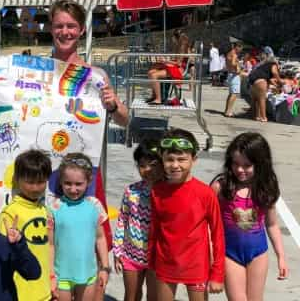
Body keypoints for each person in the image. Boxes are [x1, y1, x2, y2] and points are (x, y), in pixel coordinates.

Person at [0, 0, 128, 127]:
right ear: (50, 29)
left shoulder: (95, 76)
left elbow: (125, 121)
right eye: (59, 26)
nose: (65, 32)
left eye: (71, 26)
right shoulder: (31, 72)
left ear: (82, 30)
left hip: (81, 174)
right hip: (40, 170)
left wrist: (112, 107)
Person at [148, 128, 225, 301]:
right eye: (169, 159)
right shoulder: (157, 191)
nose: (175, 165)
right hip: (165, 263)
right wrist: (151, 262)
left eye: (182, 159)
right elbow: (154, 230)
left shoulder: (205, 193)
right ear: (162, 159)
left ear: (194, 160)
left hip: (196, 266)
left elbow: (217, 234)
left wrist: (217, 273)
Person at [210, 133, 288, 300]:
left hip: (258, 254)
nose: (240, 169)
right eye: (236, 164)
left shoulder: (265, 189)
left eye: (247, 165)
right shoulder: (221, 188)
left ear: (260, 165)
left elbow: (272, 224)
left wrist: (281, 256)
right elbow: (207, 224)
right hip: (229, 254)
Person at [47, 153, 110, 301]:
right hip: (61, 276)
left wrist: (105, 268)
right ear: (61, 181)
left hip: (88, 274)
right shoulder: (54, 208)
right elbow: (50, 245)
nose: (73, 189)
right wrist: (51, 276)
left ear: (88, 181)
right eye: (68, 183)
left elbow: (100, 239)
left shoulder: (94, 205)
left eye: (78, 184)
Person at [0, 149, 53, 301]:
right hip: (21, 293)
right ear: (17, 179)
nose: (35, 188)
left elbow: (49, 248)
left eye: (41, 182)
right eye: (30, 182)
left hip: (45, 290)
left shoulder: (44, 210)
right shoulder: (10, 214)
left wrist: (52, 279)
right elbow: (5, 256)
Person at [113, 140, 163, 301]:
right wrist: (117, 250)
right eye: (142, 165)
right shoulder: (132, 191)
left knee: (154, 297)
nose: (148, 170)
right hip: (130, 256)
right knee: (131, 296)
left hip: (157, 258)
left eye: (153, 164)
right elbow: (122, 219)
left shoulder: (169, 193)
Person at [146, 29, 189, 105]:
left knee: (154, 75)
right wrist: (165, 60)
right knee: (150, 72)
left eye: (173, 37)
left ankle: (158, 99)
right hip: (176, 67)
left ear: (176, 38)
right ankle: (154, 95)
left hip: (179, 69)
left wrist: (165, 61)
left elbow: (178, 63)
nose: (172, 39)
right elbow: (176, 60)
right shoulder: (179, 46)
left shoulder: (182, 47)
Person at [248, 53, 283, 122]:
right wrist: (280, 82)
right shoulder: (273, 64)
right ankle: (264, 117)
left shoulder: (263, 66)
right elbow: (275, 73)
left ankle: (257, 116)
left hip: (253, 82)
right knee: (262, 99)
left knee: (256, 100)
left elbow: (269, 80)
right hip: (261, 81)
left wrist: (276, 86)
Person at [224, 42, 243, 117]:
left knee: (231, 94)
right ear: (237, 47)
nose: (241, 50)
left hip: (230, 74)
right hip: (234, 75)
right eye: (240, 48)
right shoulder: (234, 54)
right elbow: (233, 63)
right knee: (234, 94)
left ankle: (227, 110)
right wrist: (238, 65)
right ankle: (228, 112)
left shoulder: (229, 53)